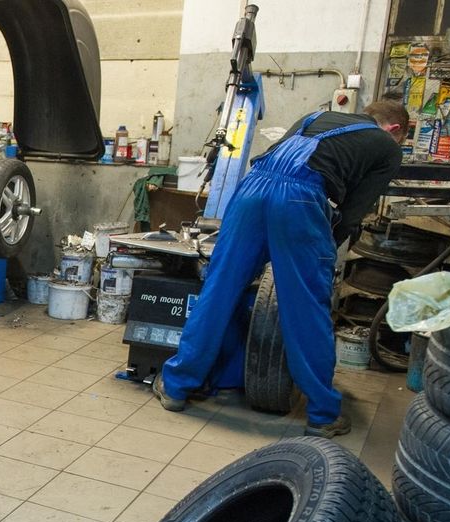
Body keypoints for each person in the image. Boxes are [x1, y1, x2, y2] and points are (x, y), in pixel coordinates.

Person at [153, 101, 408, 438]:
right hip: (300, 201)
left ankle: (176, 386)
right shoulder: (386, 148)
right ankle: (322, 413)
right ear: (394, 130)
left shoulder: (315, 115)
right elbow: (352, 212)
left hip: (251, 190)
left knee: (218, 291)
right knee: (306, 307)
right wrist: (324, 249)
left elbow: (277, 161)